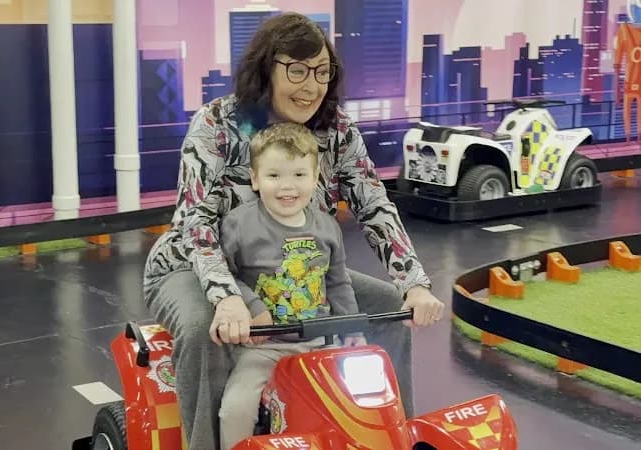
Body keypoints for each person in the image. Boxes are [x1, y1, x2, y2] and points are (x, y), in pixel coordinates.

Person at [143, 12, 444, 450]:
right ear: (266, 68)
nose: (311, 85)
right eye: (297, 70)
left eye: (322, 72)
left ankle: (389, 437)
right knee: (201, 328)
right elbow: (195, 222)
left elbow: (374, 203)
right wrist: (226, 297)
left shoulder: (336, 128)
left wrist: (414, 284)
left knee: (387, 311)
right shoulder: (216, 125)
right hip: (194, 267)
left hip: (293, 269)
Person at [217, 122, 366, 450]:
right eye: (274, 176)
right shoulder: (238, 225)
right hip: (263, 348)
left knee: (361, 398)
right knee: (234, 410)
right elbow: (223, 277)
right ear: (255, 180)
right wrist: (253, 307)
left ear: (315, 178)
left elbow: (338, 282)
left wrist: (352, 328)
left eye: (299, 175)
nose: (288, 187)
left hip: (322, 344)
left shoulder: (327, 226)